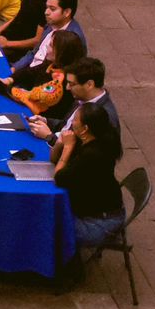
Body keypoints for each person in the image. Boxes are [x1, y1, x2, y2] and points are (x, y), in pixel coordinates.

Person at [52, 101, 127, 249]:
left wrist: (67, 147)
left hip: (98, 223)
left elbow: (59, 178)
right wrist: (60, 143)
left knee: (45, 228)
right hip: (94, 212)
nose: (71, 123)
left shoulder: (92, 155)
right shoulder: (88, 139)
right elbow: (54, 159)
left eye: (75, 120)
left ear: (85, 128)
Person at [0, 0, 85, 92]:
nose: (46, 12)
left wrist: (8, 85)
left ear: (67, 12)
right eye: (46, 7)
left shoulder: (73, 39)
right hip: (27, 73)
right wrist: (14, 70)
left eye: (52, 9)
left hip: (41, 87)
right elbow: (34, 53)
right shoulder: (52, 23)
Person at [30, 56, 118, 144]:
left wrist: (49, 137)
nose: (67, 88)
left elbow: (85, 150)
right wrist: (46, 121)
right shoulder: (82, 97)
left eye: (71, 84)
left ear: (89, 85)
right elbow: (66, 125)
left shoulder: (105, 118)